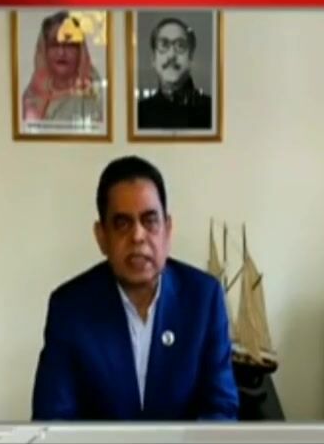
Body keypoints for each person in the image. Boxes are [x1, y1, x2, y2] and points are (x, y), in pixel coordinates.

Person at [32, 156, 239, 421]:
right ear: (101, 237)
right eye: (123, 223)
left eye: (150, 221)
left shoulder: (203, 299)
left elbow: (221, 409)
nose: (138, 236)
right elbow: (52, 420)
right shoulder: (70, 309)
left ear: (167, 230)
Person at [22, 10, 104, 127]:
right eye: (54, 45)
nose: (61, 53)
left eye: (69, 44)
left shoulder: (94, 95)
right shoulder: (31, 96)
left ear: (80, 51)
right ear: (44, 50)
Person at [136, 17, 213, 130]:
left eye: (180, 45)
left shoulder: (212, 110)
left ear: (191, 58)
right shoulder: (138, 114)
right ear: (153, 59)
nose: (171, 55)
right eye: (164, 45)